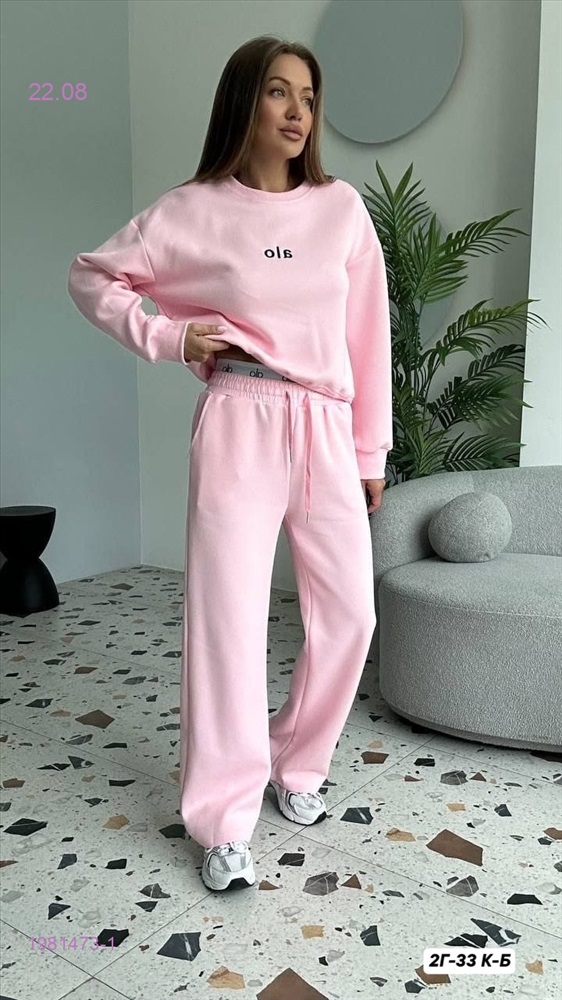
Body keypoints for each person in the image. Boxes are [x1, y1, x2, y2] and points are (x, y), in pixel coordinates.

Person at [67, 34, 393, 893]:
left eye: (309, 98)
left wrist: (369, 449)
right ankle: (222, 819)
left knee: (351, 615)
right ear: (244, 101)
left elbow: (369, 335)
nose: (297, 112)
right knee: (228, 623)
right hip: (240, 415)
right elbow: (94, 277)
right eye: (279, 92)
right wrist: (169, 336)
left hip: (325, 424)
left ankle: (297, 761)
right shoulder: (192, 210)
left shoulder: (340, 210)